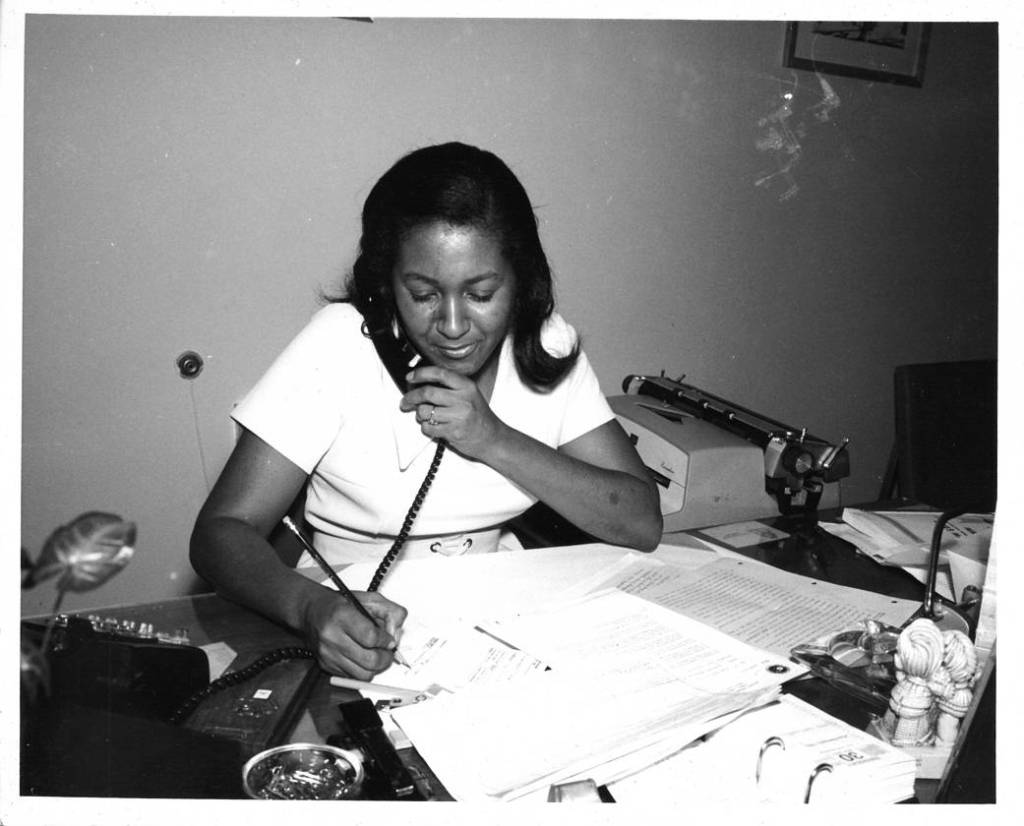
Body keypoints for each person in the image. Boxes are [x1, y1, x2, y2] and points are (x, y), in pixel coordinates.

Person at [190, 142, 662, 680]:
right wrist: (310, 607)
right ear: (386, 285)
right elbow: (219, 531)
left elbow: (640, 521)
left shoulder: (546, 344)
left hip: (505, 617)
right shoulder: (339, 344)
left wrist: (492, 438)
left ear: (521, 279)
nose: (454, 325)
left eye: (482, 293)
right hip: (353, 616)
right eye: (423, 294)